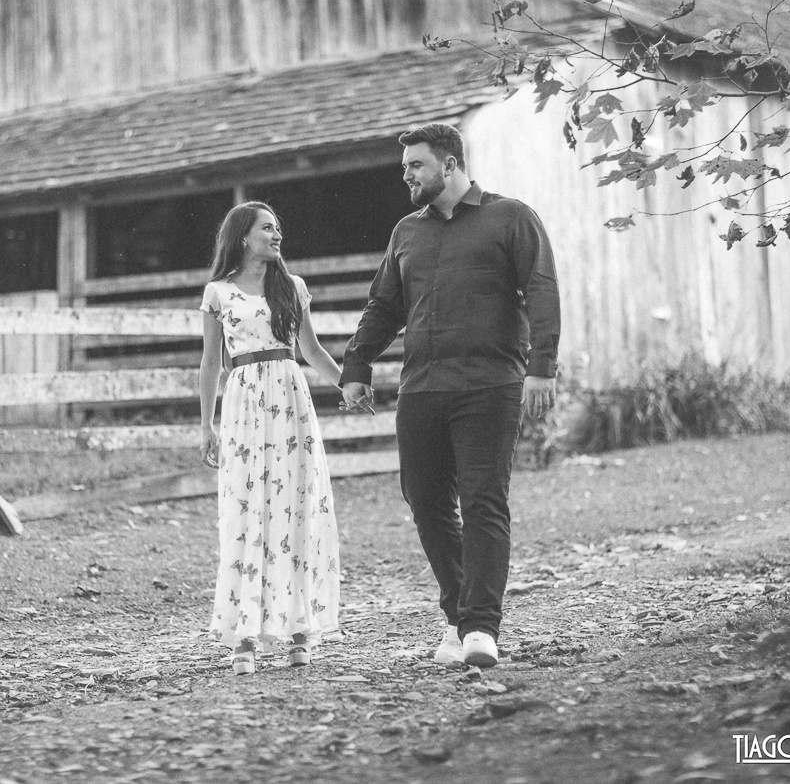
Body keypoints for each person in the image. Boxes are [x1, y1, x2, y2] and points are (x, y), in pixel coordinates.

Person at [340, 123, 560, 669]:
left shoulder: (510, 217)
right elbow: (384, 304)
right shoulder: (406, 232)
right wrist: (357, 363)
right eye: (406, 167)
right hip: (422, 386)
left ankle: (480, 628)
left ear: (451, 164)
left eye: (416, 165)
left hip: (491, 383)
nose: (407, 175)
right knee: (425, 499)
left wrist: (543, 367)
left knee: (484, 499)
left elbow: (542, 288)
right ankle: (460, 614)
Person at [198, 201, 344, 676]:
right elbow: (209, 364)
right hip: (242, 404)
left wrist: (349, 383)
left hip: (289, 400)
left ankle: (301, 629)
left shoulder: (293, 287)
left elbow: (311, 349)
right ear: (243, 236)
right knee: (245, 511)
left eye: (278, 227)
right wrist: (207, 424)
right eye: (267, 228)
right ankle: (243, 637)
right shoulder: (218, 293)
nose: (277, 234)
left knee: (296, 505)